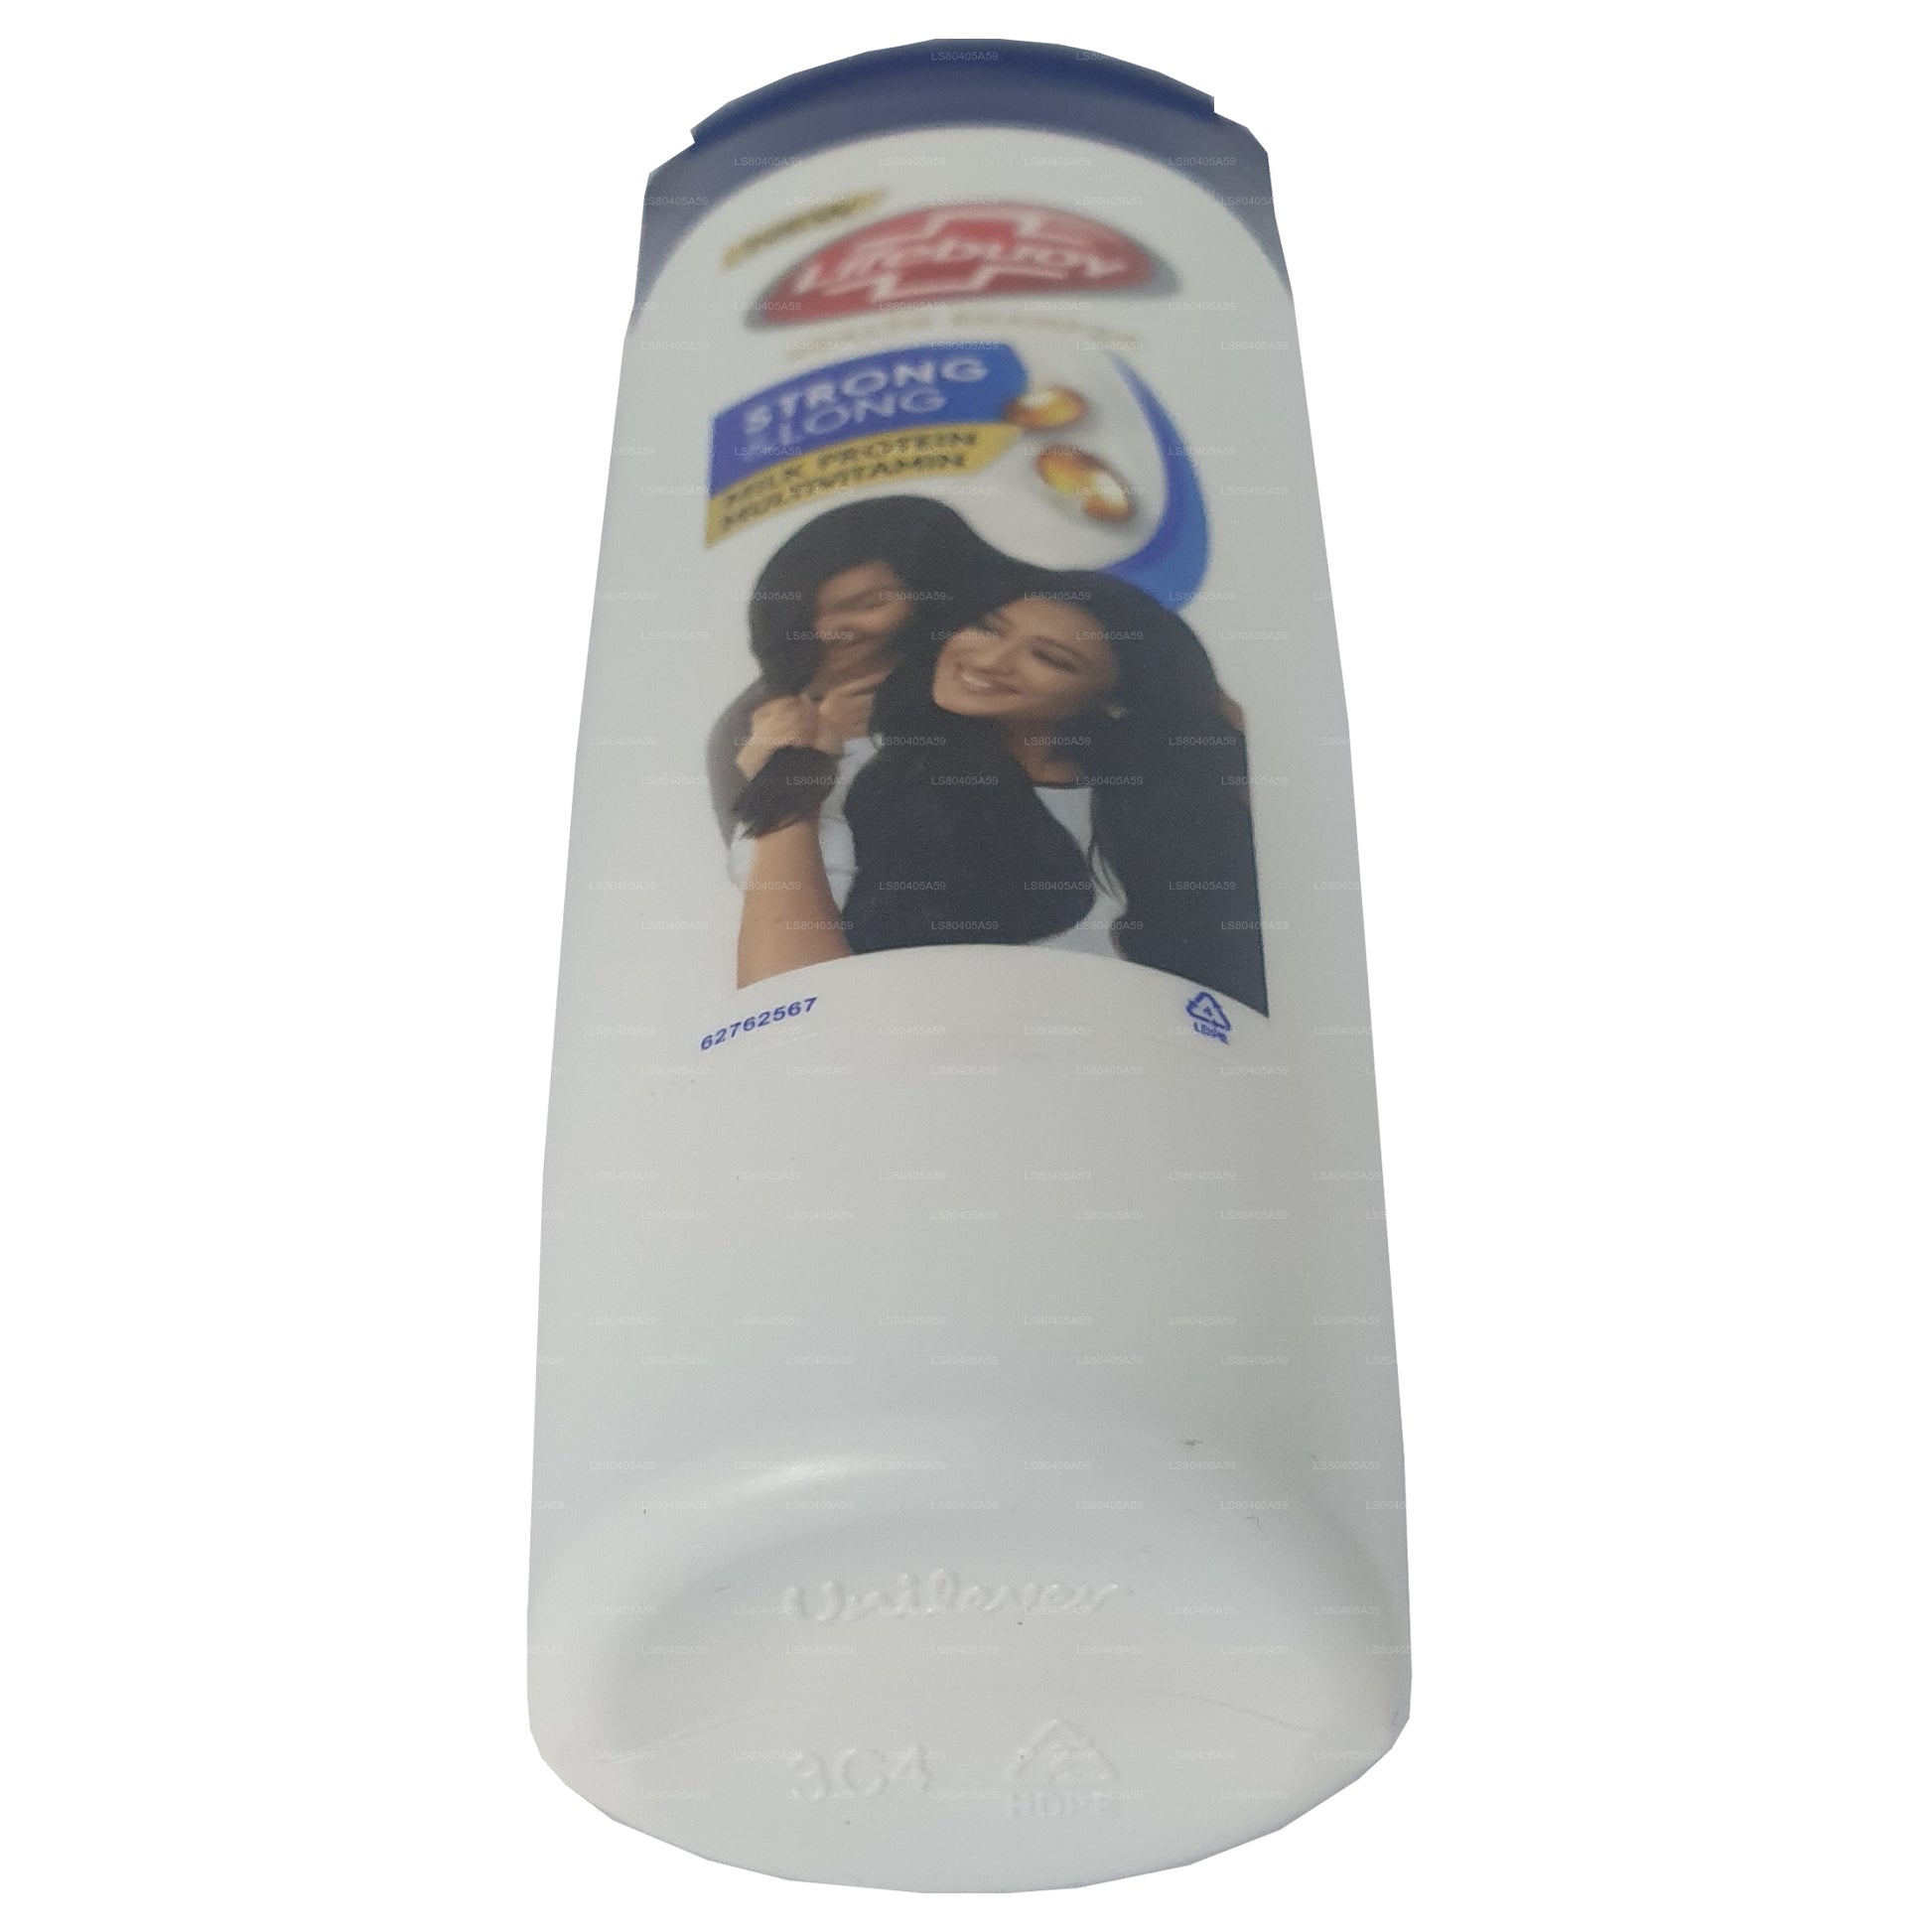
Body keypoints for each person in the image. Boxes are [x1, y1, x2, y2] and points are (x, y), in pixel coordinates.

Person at [732, 561, 1268, 1013]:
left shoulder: (1170, 806)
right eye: (988, 628)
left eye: (1050, 658)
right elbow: (786, 999)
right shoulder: (843, 775)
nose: (989, 661)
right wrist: (789, 784)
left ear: (1111, 700)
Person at [706, 496, 1006, 840]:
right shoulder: (749, 726)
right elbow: (759, 867)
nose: (828, 631)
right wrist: (805, 770)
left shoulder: (992, 676)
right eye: (807, 615)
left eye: (869, 604)